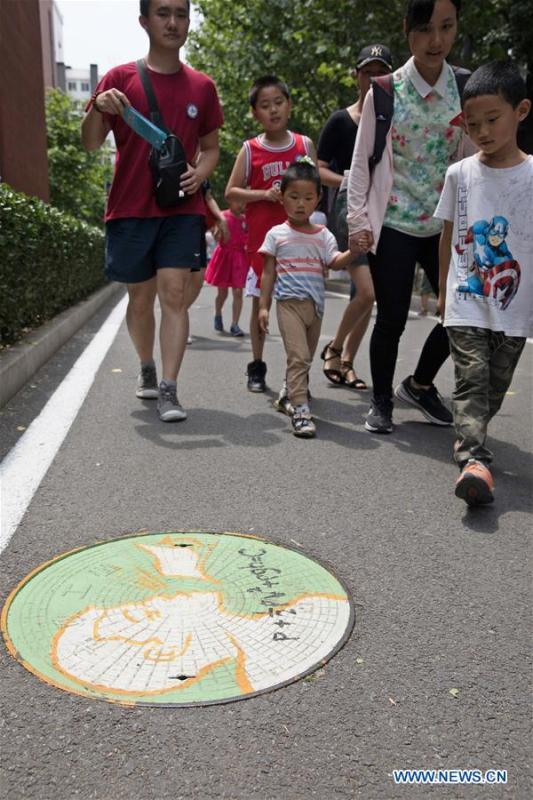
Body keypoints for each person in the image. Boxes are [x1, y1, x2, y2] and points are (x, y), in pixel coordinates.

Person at [80, 0, 223, 421]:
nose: (173, 22)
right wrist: (97, 108)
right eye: (163, 13)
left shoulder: (202, 86)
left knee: (174, 295)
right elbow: (89, 142)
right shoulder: (119, 80)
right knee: (140, 298)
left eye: (181, 13)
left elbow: (211, 148)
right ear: (145, 21)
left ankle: (169, 388)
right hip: (130, 209)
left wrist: (199, 175)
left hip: (182, 209)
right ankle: (146, 366)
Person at [347, 0, 475, 433]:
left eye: (447, 27)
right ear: (408, 30)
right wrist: (359, 223)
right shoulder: (384, 91)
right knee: (393, 317)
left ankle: (420, 385)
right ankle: (381, 400)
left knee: (461, 312)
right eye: (425, 29)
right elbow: (362, 164)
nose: (436, 40)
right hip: (396, 223)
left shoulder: (466, 88)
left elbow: (477, 157)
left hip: (447, 227)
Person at [435, 61, 532, 505]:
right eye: (473, 124)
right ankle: (473, 461)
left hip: (515, 305)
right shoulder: (460, 174)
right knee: (471, 378)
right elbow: (449, 235)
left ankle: (472, 434)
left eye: (493, 120)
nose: (483, 131)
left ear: (522, 110)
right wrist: (442, 289)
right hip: (466, 297)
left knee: (493, 385)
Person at [225, 76, 316, 392]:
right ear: (255, 113)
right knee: (258, 307)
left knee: (302, 308)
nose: (273, 110)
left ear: (289, 105)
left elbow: (314, 188)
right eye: (265, 105)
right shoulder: (250, 150)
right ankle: (257, 365)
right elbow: (231, 192)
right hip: (263, 247)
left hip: (300, 245)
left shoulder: (304, 146)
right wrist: (263, 195)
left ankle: (297, 372)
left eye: (278, 102)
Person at [258, 159, 354, 438]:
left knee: (306, 359)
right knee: (298, 357)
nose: (301, 204)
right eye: (294, 197)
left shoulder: (324, 235)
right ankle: (300, 411)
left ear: (318, 199)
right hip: (288, 303)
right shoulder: (277, 235)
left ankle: (289, 392)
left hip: (316, 307)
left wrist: (354, 252)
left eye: (308, 198)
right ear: (282, 196)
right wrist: (263, 307)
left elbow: (335, 262)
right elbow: (267, 273)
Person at [317, 44, 393, 390]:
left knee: (362, 295)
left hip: (386, 211)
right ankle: (333, 349)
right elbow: (317, 169)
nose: (373, 79)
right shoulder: (340, 121)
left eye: (381, 72)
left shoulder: (392, 121)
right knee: (367, 291)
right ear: (356, 76)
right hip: (349, 208)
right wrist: (349, 179)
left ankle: (347, 362)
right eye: (367, 72)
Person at [204, 199, 248, 336]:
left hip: (239, 258)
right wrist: (219, 231)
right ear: (230, 201)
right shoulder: (223, 216)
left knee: (238, 291)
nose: (241, 204)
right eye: (238, 201)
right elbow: (216, 237)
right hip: (224, 257)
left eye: (243, 202)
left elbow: (248, 237)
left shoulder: (245, 220)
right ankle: (218, 314)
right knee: (222, 293)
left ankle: (235, 324)